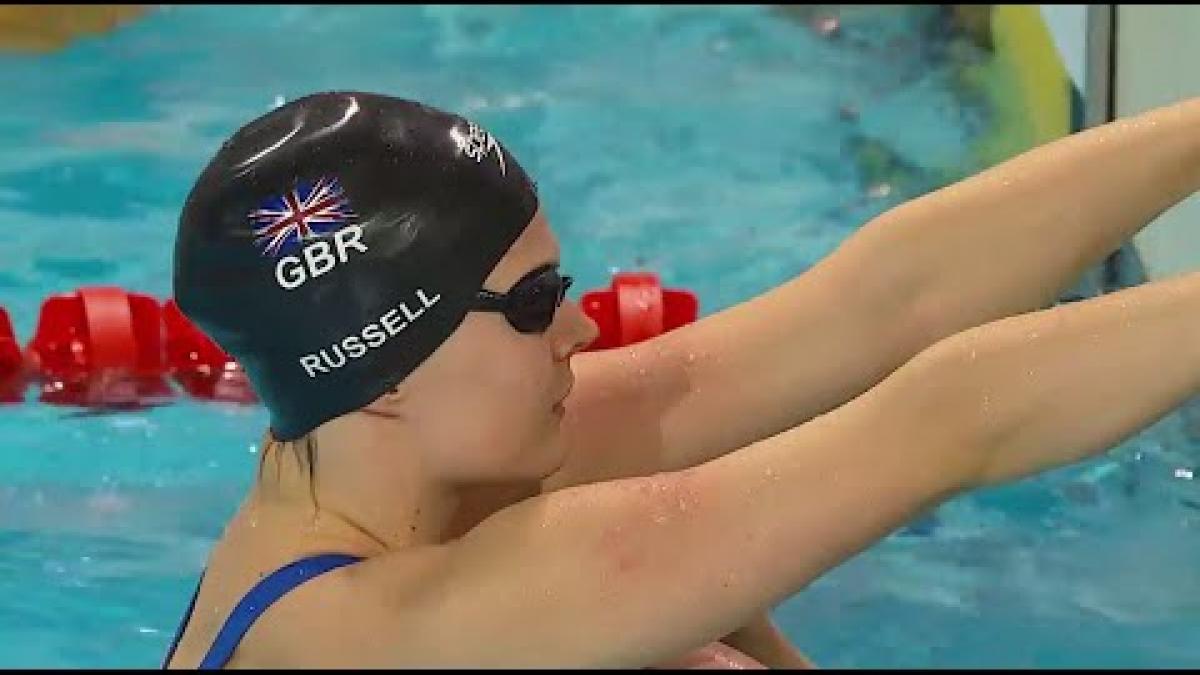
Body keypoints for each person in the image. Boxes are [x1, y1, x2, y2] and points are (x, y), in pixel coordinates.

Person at [164, 90, 1200, 669]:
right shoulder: (369, 638)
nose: (577, 328)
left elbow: (883, 307)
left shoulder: (392, 463)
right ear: (384, 367)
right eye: (531, 305)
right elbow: (938, 425)